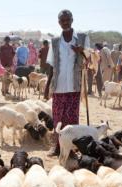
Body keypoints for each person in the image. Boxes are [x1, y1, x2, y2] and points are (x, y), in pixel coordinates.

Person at [44, 10, 90, 157]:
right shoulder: (55, 41)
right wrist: (47, 85)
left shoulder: (82, 37)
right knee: (58, 118)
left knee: (72, 119)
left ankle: (70, 148)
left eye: (67, 20)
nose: (65, 23)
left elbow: (90, 60)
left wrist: (81, 51)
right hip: (59, 86)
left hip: (74, 86)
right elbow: (52, 64)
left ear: (72, 20)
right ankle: (57, 147)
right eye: (62, 20)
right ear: (59, 22)